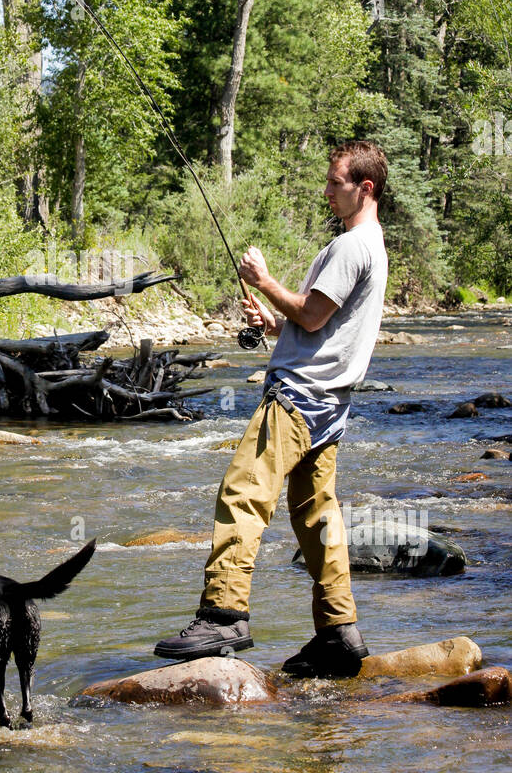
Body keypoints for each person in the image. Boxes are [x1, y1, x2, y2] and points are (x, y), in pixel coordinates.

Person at [154, 140, 389, 678]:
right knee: (316, 516)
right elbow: (320, 321)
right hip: (331, 405)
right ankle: (339, 632)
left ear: (364, 188)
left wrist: (264, 281)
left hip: (299, 396)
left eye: (336, 183)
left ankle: (224, 614)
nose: (327, 191)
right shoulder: (371, 246)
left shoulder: (352, 247)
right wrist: (270, 322)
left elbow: (309, 315)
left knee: (242, 491)